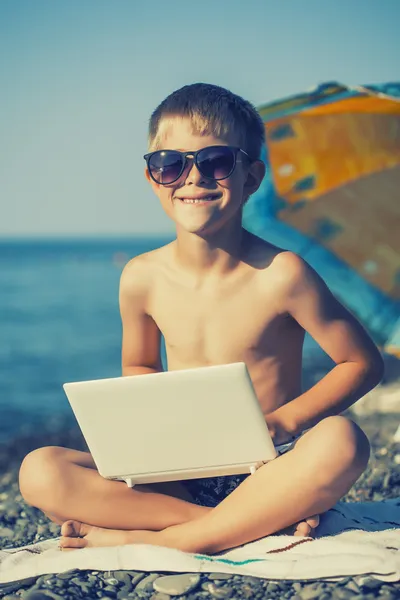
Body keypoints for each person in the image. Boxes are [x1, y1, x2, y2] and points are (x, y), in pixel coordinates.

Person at [19, 83, 383, 554]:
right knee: (40, 470)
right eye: (170, 164)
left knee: (343, 440)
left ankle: (155, 537)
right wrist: (143, 433)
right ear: (152, 178)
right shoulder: (141, 277)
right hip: (178, 472)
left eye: (215, 162)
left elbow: (361, 363)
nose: (192, 179)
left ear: (251, 177)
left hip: (270, 465)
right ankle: (239, 524)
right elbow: (141, 367)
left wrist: (282, 423)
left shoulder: (281, 273)